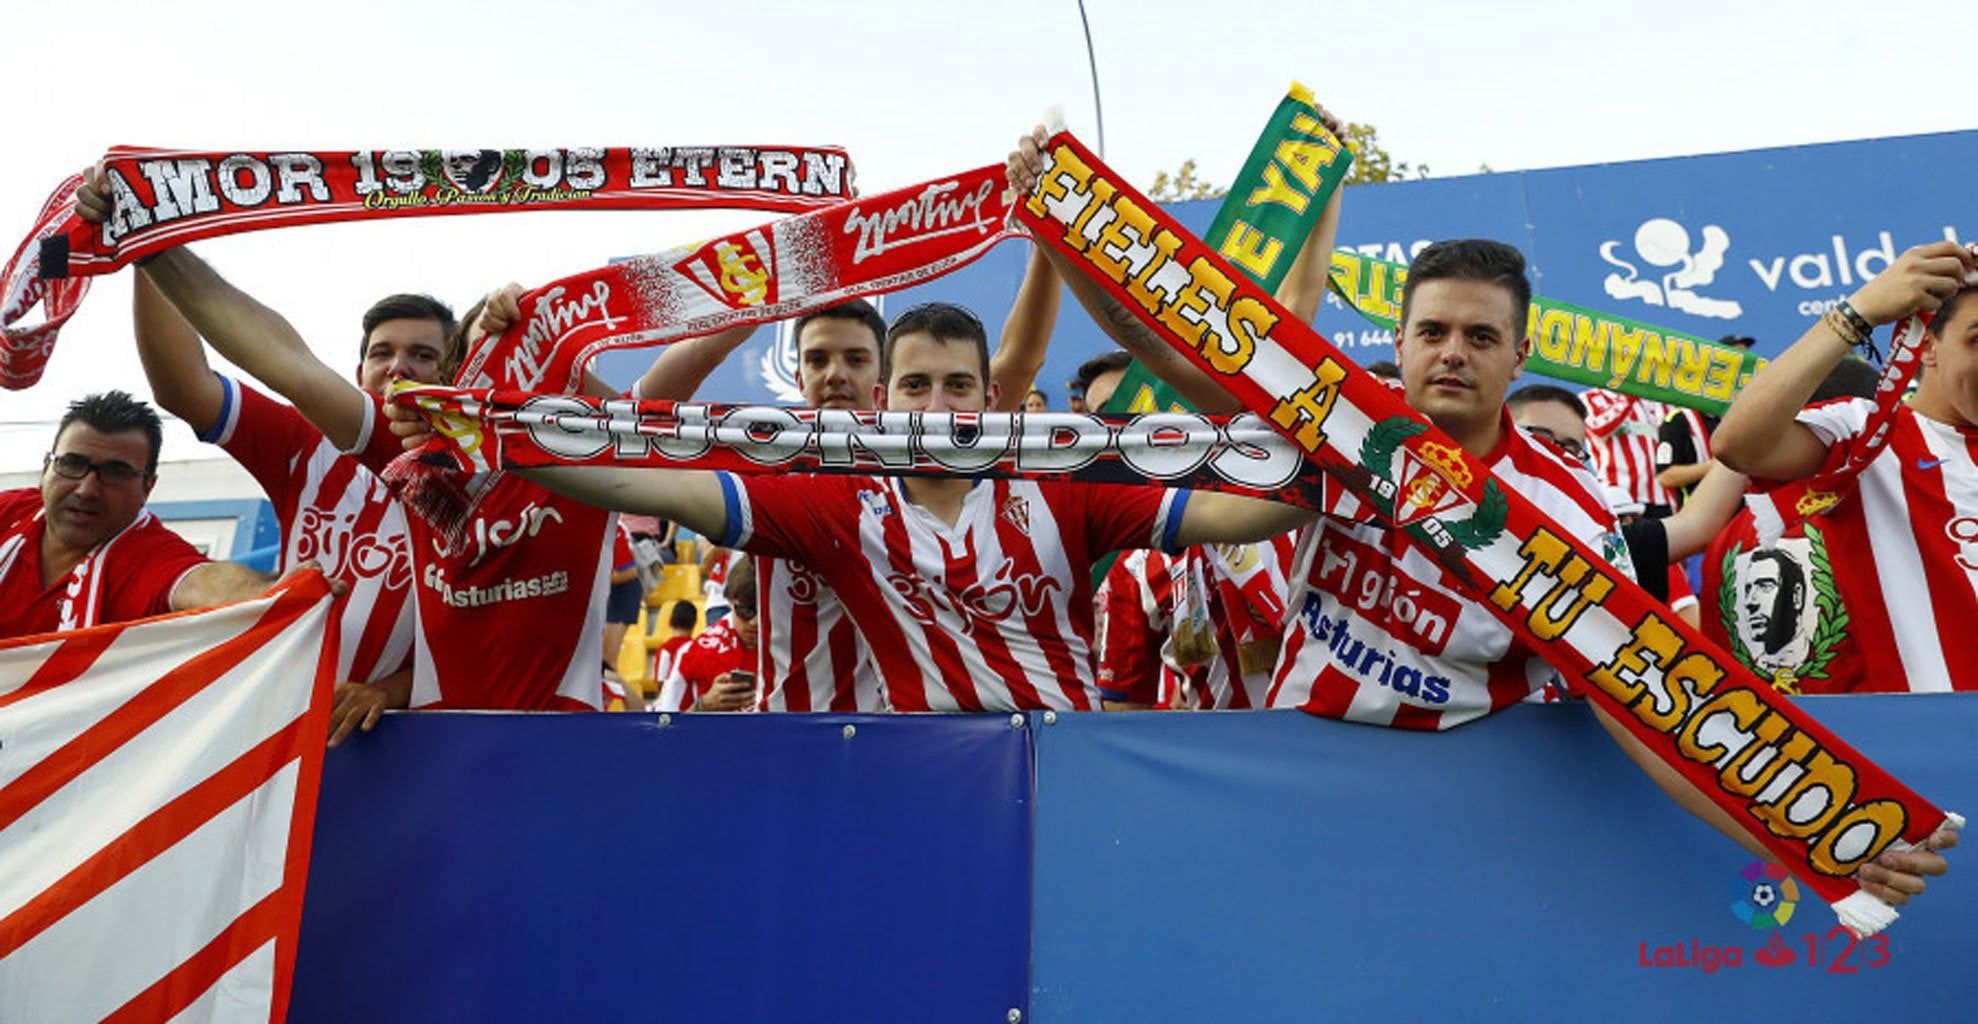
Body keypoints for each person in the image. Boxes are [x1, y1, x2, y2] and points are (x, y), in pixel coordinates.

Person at [401, 295, 1315, 712]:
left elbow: (1244, 513)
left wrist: (1332, 463)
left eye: (960, 386)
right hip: (900, 768)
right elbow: (653, 470)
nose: (938, 407)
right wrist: (497, 431)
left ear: (986, 400)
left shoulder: (1060, 491)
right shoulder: (838, 508)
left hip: (1069, 765)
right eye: (917, 387)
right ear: (888, 402)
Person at [130, 271, 425, 747]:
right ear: (358, 374)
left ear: (451, 375)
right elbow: (184, 388)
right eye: (382, 353)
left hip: (400, 738)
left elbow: (484, 633)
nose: (398, 367)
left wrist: (387, 690)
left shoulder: (472, 475)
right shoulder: (306, 444)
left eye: (423, 355)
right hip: (277, 725)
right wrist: (148, 254)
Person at [1713, 240, 1978, 693]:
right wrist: (1859, 312)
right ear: (1929, 346)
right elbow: (1740, 445)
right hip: (1937, 741)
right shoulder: (1867, 431)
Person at [0, 392, 278, 639]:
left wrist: (287, 592)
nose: (86, 490)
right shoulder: (10, 511)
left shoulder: (150, 556)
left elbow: (206, 583)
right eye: (72, 464)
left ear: (148, 487)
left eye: (115, 472)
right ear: (45, 468)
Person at [1506, 384, 1748, 622]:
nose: (1556, 453)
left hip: (1655, 507)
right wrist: (1630, 386)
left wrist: (1751, 429)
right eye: (1540, 437)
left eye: (1572, 448)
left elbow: (1697, 525)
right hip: (1619, 494)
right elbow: (1602, 426)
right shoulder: (1471, 511)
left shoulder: (1607, 546)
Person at [657, 559, 760, 713]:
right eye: (746, 611)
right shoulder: (695, 653)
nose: (754, 622)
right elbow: (665, 725)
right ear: (730, 602)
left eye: (764, 613)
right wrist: (703, 706)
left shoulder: (795, 647)